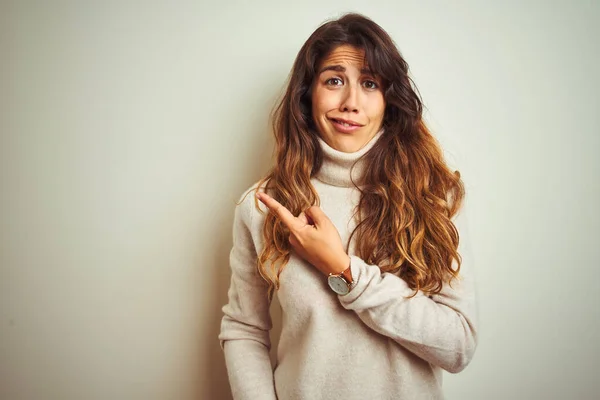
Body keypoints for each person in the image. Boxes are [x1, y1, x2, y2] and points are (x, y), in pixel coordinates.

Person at [219, 12, 477, 400]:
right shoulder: (264, 206)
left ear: (390, 100)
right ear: (307, 94)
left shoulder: (434, 195)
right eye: (334, 80)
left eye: (370, 83)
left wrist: (344, 271)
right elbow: (244, 329)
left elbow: (457, 346)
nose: (351, 102)